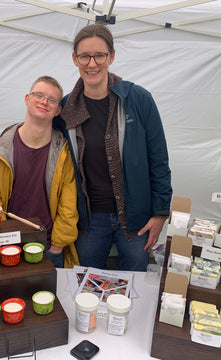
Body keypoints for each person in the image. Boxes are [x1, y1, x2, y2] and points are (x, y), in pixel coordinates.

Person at [53, 24, 173, 271]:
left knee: (134, 285)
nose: (92, 63)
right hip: (88, 220)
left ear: (112, 57)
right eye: (84, 56)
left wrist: (160, 214)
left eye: (100, 55)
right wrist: (2, 142)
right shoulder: (66, 109)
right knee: (87, 285)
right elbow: (37, 128)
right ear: (75, 59)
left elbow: (158, 160)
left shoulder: (138, 100)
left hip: (135, 219)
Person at [0, 76, 79, 268]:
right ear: (27, 99)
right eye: (39, 95)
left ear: (58, 110)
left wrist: (56, 246)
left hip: (49, 248)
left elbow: (69, 206)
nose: (44, 102)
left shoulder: (64, 153)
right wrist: (4, 243)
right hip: (7, 248)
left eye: (52, 100)